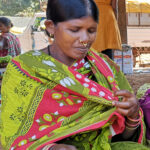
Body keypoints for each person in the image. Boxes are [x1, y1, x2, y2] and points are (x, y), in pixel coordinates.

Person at [0, 0, 148, 150]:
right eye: (75, 29)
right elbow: (13, 136)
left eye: (91, 31)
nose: (85, 40)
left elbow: (123, 136)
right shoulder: (24, 69)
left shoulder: (105, 67)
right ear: (51, 27)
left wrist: (132, 116)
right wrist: (49, 148)